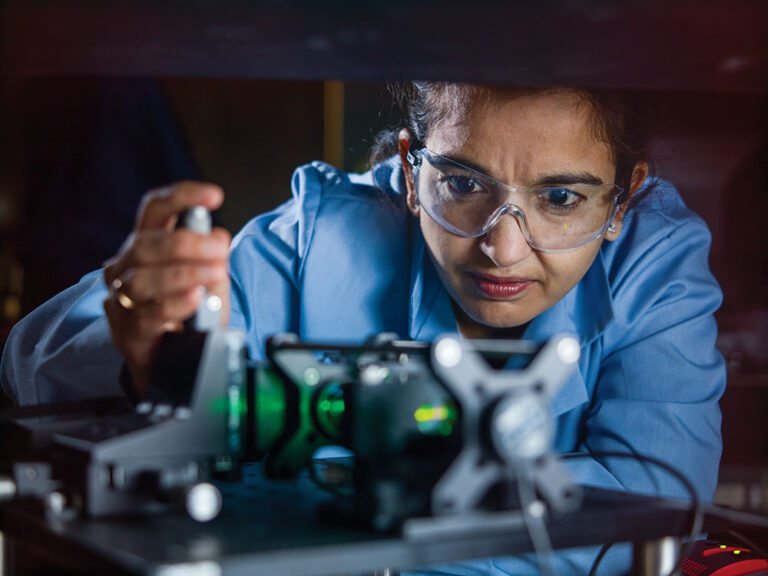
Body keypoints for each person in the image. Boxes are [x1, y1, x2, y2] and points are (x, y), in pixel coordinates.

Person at [1, 82, 725, 575]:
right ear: (410, 171)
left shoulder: (652, 264)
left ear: (624, 199)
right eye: (462, 184)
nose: (503, 248)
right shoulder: (317, 241)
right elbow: (32, 361)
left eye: (561, 198)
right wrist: (143, 344)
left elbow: (653, 512)